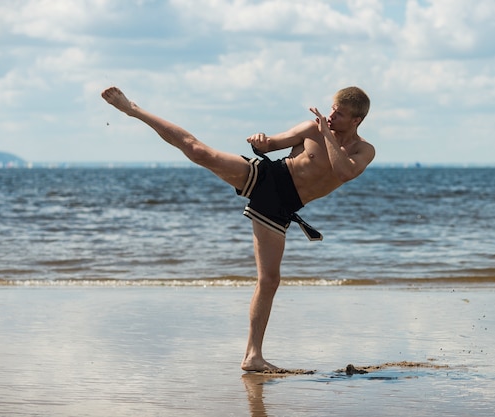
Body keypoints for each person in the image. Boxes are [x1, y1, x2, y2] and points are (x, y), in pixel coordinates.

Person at [101, 86, 375, 371]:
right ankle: (133, 110)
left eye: (339, 114)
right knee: (198, 151)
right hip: (268, 177)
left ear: (356, 120)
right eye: (331, 109)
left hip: (281, 208)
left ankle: (252, 356)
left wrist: (329, 136)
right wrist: (260, 142)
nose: (330, 116)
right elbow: (269, 145)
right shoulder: (311, 129)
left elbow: (344, 172)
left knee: (269, 280)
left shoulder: (363, 150)